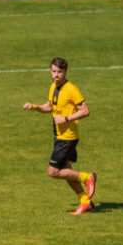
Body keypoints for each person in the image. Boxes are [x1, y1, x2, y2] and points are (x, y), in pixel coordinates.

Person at [22, 57, 97, 215]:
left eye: (60, 72)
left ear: (66, 72)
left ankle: (88, 177)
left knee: (53, 172)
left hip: (67, 138)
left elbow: (85, 111)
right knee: (67, 171)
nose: (56, 75)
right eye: (54, 71)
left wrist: (65, 119)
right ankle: (85, 202)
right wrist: (34, 107)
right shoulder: (53, 87)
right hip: (59, 135)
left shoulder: (71, 89)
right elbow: (49, 107)